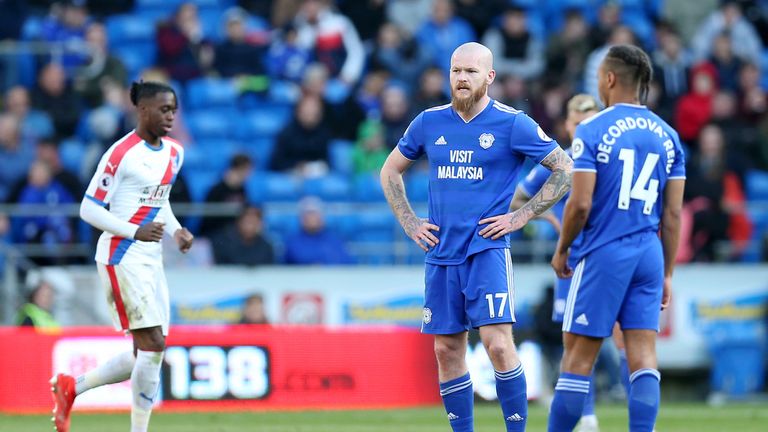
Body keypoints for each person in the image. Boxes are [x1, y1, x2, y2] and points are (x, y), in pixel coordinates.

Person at [380, 42, 572, 432]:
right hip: (441, 253)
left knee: (498, 344)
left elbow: (564, 169)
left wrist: (520, 217)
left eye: (470, 71)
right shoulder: (428, 122)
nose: (462, 78)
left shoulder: (512, 123)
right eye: (455, 71)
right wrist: (410, 222)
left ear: (490, 76)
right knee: (446, 349)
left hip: (486, 250)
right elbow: (390, 171)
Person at [548, 45, 686, 432]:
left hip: (605, 252)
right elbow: (673, 214)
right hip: (649, 254)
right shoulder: (669, 136)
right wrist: (669, 272)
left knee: (577, 356)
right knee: (643, 356)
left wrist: (563, 250)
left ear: (608, 79)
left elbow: (580, 203)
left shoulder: (591, 130)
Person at [50, 81, 194, 432]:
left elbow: (159, 202)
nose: (171, 116)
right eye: (164, 109)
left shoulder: (175, 152)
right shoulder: (120, 154)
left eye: (174, 109)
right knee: (154, 345)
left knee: (145, 353)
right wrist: (133, 231)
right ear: (142, 110)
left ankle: (73, 387)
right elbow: (88, 208)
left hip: (151, 257)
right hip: (121, 254)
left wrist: (175, 230)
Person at [512, 94, 614, 431]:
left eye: (591, 120)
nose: (584, 126)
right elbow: (518, 199)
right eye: (578, 121)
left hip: (610, 260)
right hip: (572, 262)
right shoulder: (562, 164)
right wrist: (550, 220)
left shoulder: (612, 160)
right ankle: (586, 415)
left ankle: (635, 419)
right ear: (568, 126)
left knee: (622, 339)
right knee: (572, 338)